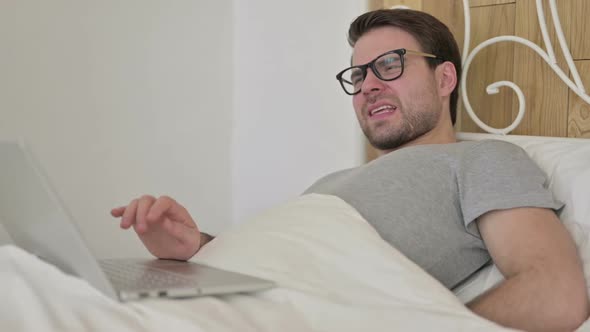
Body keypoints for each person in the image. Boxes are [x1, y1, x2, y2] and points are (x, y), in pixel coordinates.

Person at [111, 9, 589, 331]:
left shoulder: (482, 160)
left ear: (445, 78)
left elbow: (556, 291)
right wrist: (194, 248)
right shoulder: (328, 187)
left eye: (389, 66)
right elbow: (295, 265)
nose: (368, 87)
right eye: (358, 75)